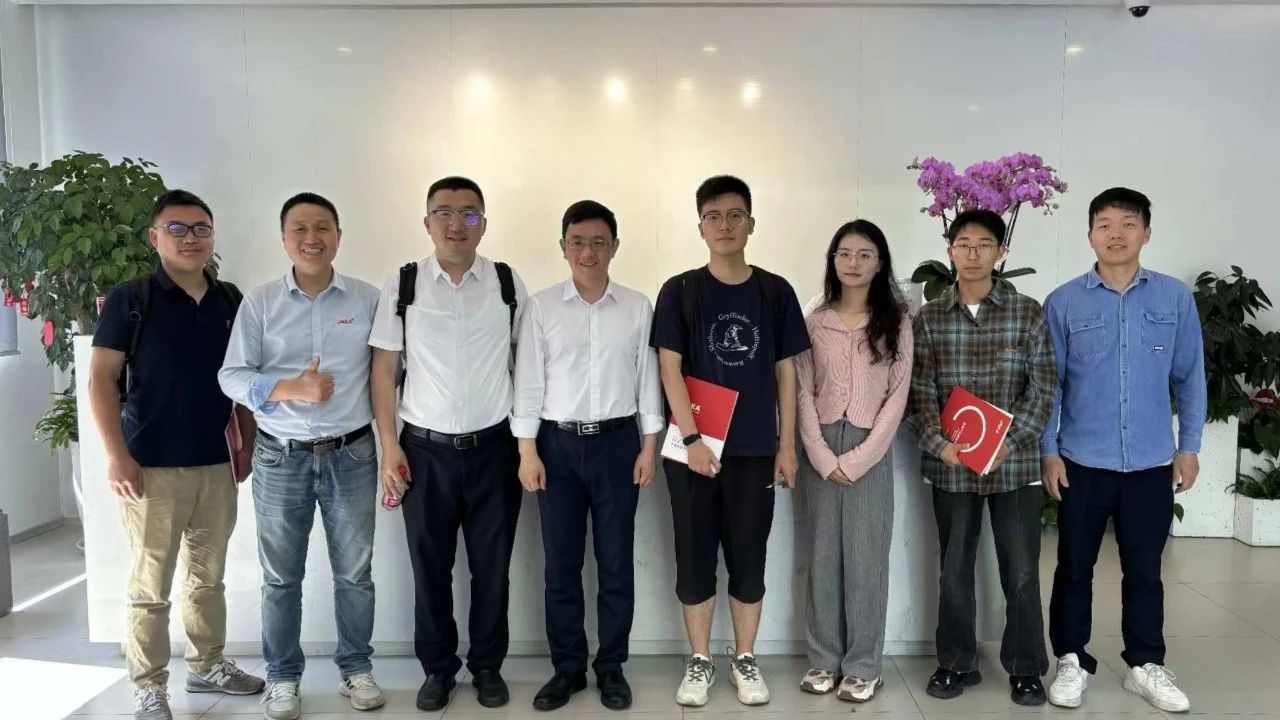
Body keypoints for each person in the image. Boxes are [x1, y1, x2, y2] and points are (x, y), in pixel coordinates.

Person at [88, 190, 265, 720]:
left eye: (201, 229)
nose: (191, 239)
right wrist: (116, 456)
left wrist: (247, 442)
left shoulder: (230, 299)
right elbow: (101, 380)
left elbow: (243, 379)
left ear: (212, 236)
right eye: (178, 228)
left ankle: (208, 664)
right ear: (155, 237)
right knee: (152, 587)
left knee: (207, 580)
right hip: (150, 468)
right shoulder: (132, 298)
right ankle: (149, 685)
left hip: (216, 463)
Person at [218, 193, 384, 719]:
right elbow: (231, 375)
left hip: (352, 454)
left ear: (338, 235)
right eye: (300, 229)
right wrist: (290, 388)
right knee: (281, 577)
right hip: (280, 457)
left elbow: (387, 374)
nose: (312, 238)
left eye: (322, 227)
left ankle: (356, 668)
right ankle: (283, 677)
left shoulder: (368, 300)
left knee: (354, 574)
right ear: (284, 238)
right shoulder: (261, 302)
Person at [1042, 188, 1205, 714]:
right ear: (1090, 235)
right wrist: (1048, 451)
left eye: (1128, 223)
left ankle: (1145, 664)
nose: (1116, 234)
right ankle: (1070, 658)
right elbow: (1049, 385)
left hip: (1151, 463)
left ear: (1146, 233)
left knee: (1145, 569)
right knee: (1074, 567)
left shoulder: (1174, 299)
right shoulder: (1063, 302)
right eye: (1105, 224)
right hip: (1081, 462)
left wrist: (1189, 447)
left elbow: (1191, 378)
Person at [368, 176, 528, 712]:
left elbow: (526, 364)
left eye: (469, 214)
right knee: (429, 567)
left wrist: (526, 442)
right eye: (444, 212)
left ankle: (487, 667)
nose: (457, 224)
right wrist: (390, 447)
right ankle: (438, 669)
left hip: (495, 448)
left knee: (492, 567)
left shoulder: (506, 282)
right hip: (423, 451)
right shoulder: (405, 282)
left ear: (484, 222)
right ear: (427, 221)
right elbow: (384, 370)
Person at [650, 175, 810, 707]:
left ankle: (744, 657)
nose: (725, 225)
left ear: (751, 224)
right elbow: (669, 368)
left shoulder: (775, 291)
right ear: (700, 226)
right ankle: (699, 660)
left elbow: (787, 371)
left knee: (749, 556)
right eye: (713, 216)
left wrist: (787, 446)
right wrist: (693, 439)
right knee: (694, 556)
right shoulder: (680, 290)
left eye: (735, 215)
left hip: (756, 450)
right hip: (692, 451)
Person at [512, 200, 664, 711]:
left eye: (599, 242)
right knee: (561, 565)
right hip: (555, 447)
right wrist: (527, 451)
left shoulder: (637, 307)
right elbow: (529, 382)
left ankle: (612, 667)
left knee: (616, 562)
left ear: (614, 247)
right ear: (563, 247)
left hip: (619, 445)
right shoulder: (541, 307)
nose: (588, 252)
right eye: (577, 242)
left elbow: (647, 381)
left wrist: (649, 446)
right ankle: (568, 669)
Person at [905, 209, 1056, 706]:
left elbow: (1043, 389)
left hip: (1014, 466)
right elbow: (919, 392)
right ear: (949, 250)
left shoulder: (1027, 313)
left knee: (1022, 572)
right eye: (963, 244)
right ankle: (956, 663)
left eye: (984, 244)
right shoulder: (929, 318)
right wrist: (938, 443)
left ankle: (1027, 668)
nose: (973, 254)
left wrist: (1009, 443)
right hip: (951, 467)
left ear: (1001, 251)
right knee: (954, 570)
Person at [795, 219, 912, 703]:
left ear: (880, 263)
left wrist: (859, 459)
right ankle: (823, 659)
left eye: (865, 254)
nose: (853, 263)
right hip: (819, 446)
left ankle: (864, 665)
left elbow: (898, 396)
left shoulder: (897, 321)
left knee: (866, 561)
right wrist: (821, 456)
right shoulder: (815, 319)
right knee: (822, 558)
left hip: (871, 447)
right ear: (833, 260)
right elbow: (801, 390)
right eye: (844, 253)